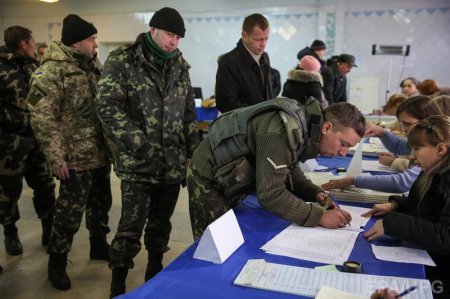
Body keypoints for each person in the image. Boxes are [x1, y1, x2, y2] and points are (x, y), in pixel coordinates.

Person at [96, 7, 200, 298]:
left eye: (178, 37)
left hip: (171, 165)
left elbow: (189, 114)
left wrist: (193, 153)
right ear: (153, 30)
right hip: (138, 164)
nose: (174, 42)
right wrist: (137, 140)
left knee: (160, 226)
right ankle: (117, 283)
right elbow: (106, 105)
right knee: (129, 229)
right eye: (170, 34)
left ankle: (154, 272)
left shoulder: (180, 66)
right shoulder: (124, 60)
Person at [188, 98, 366, 240]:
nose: (343, 153)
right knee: (214, 247)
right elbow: (271, 194)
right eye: (343, 144)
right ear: (327, 128)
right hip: (208, 179)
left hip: (234, 176)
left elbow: (289, 167)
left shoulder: (305, 124)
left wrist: (314, 193)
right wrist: (318, 217)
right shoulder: (282, 130)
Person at [26, 14, 112, 291]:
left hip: (99, 153)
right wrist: (56, 158)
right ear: (77, 42)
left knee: (102, 205)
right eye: (92, 39)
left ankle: (99, 246)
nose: (96, 44)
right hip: (74, 159)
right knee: (68, 214)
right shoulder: (50, 72)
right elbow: (42, 118)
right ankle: (57, 263)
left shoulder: (91, 66)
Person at [363, 115, 450, 299]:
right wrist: (395, 205)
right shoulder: (432, 171)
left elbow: (445, 236)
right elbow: (427, 208)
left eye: (417, 149)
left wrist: (394, 224)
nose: (412, 156)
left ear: (440, 149)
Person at [0, 26, 55, 256]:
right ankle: (10, 233)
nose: (35, 45)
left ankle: (48, 229)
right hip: (9, 144)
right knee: (8, 192)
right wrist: (21, 120)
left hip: (37, 141)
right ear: (23, 43)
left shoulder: (34, 66)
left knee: (45, 185)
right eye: (32, 42)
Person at [215, 13, 274, 113]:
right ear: (244, 35)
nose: (263, 44)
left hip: (266, 124)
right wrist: (255, 116)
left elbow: (268, 93)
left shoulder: (265, 57)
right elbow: (225, 103)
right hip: (243, 126)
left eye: (266, 39)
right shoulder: (228, 62)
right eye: (258, 39)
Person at [367, 96, 441, 172]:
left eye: (407, 124)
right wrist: (382, 132)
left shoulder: (435, 146)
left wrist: (394, 162)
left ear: (426, 121)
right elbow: (399, 146)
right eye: (402, 124)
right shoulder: (425, 139)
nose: (403, 129)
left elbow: (420, 170)